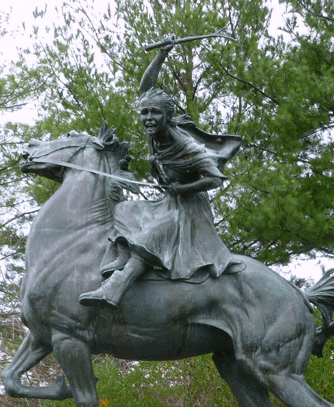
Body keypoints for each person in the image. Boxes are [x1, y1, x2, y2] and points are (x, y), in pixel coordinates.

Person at [79, 40, 243, 308]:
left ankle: (115, 289)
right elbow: (146, 87)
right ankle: (123, 257)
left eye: (154, 112)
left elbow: (215, 179)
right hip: (169, 200)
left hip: (189, 207)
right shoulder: (152, 131)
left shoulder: (185, 145)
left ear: (167, 116)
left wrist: (181, 190)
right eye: (144, 112)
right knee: (124, 210)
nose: (148, 117)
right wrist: (162, 54)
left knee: (152, 235)